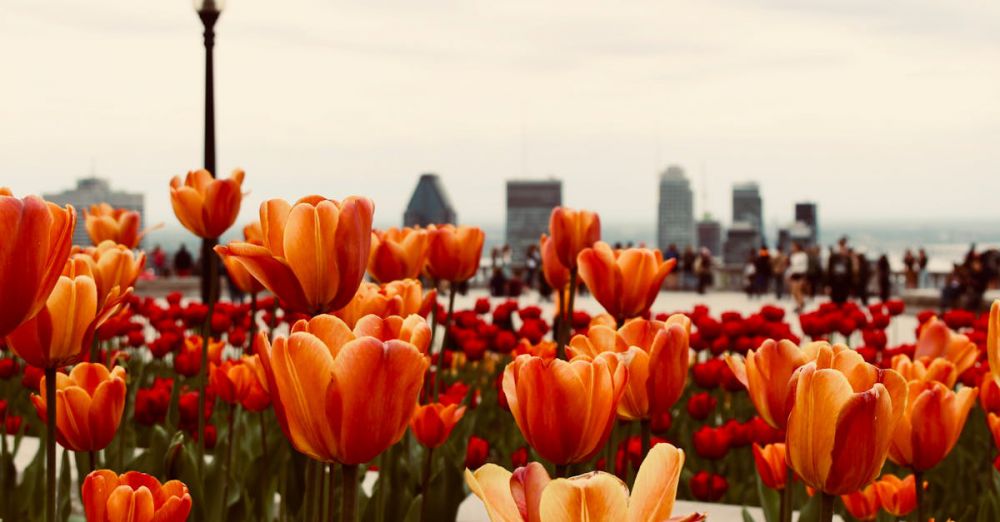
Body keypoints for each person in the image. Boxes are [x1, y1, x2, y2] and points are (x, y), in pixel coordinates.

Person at [827, 238, 853, 305]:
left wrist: (850, 285)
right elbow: (829, 271)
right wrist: (828, 284)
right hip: (835, 283)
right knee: (834, 302)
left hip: (844, 284)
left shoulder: (848, 259)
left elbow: (850, 273)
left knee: (843, 301)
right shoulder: (833, 258)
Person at [787, 242, 808, 312]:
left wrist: (804, 276)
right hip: (794, 274)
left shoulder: (803, 255)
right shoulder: (793, 256)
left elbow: (804, 266)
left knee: (798, 290)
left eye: (793, 247)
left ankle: (800, 305)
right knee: (793, 291)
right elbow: (792, 266)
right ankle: (800, 304)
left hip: (800, 274)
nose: (792, 248)